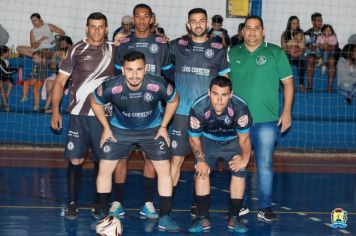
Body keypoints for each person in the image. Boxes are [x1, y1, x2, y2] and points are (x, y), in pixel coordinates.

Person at [90, 50, 180, 232]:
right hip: (120, 131)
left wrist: (163, 127)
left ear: (145, 69)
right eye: (129, 70)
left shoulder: (157, 84)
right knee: (105, 169)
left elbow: (174, 99)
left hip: (152, 130)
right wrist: (106, 128)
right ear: (122, 70)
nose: (134, 75)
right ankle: (103, 216)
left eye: (139, 70)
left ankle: (165, 217)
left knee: (164, 171)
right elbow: (94, 101)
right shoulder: (111, 86)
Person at [50, 12, 117, 220]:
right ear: (87, 28)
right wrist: (54, 110)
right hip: (78, 116)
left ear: (106, 29)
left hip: (103, 118)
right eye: (93, 26)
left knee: (103, 161)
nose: (97, 30)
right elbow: (60, 82)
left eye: (101, 27)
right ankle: (72, 203)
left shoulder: (115, 49)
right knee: (76, 160)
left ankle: (99, 203)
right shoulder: (76, 49)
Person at [229, 15, 294, 222]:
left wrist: (286, 112)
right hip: (238, 122)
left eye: (257, 28)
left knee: (264, 164)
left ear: (263, 31)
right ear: (242, 31)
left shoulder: (275, 52)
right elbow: (223, 85)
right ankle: (240, 205)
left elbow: (288, 84)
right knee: (238, 163)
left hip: (267, 120)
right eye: (248, 28)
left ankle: (265, 207)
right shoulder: (232, 53)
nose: (252, 31)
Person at [111, 3, 172, 220]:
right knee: (121, 157)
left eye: (146, 17)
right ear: (133, 19)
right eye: (138, 16)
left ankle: (147, 203)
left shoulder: (161, 43)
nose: (142, 20)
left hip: (152, 110)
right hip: (125, 111)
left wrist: (166, 101)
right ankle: (117, 202)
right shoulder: (123, 43)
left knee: (150, 158)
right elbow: (116, 77)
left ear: (152, 19)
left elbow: (168, 76)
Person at [169, 8, 230, 217]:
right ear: (188, 24)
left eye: (201, 21)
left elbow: (226, 82)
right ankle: (166, 207)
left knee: (201, 162)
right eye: (193, 21)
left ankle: (197, 204)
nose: (197, 24)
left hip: (207, 116)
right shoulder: (176, 45)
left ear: (207, 24)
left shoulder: (218, 49)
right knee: (175, 160)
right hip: (181, 113)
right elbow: (160, 65)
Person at [187, 76, 252, 233]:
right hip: (208, 140)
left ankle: (234, 218)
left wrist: (244, 159)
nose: (219, 100)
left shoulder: (240, 108)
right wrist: (200, 160)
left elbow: (244, 139)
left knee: (240, 171)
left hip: (232, 141)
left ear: (231, 94)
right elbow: (194, 139)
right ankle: (203, 218)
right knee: (202, 171)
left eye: (224, 95)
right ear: (209, 92)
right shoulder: (198, 108)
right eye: (215, 94)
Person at [41, 36, 73, 113]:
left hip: (68, 78)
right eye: (60, 43)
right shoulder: (58, 54)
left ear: (69, 45)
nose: (61, 45)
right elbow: (52, 67)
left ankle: (59, 107)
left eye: (63, 43)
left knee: (58, 89)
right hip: (58, 76)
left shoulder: (72, 55)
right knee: (49, 84)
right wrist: (55, 57)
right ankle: (49, 106)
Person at [281, 16, 306, 92]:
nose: (296, 25)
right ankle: (284, 85)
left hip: (299, 54)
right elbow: (284, 47)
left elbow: (303, 47)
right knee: (283, 61)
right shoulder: (285, 34)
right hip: (288, 54)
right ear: (289, 24)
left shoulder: (301, 34)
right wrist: (297, 43)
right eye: (294, 23)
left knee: (302, 61)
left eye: (297, 23)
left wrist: (293, 44)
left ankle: (301, 85)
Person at [316, 24, 339, 91]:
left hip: (330, 53)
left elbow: (333, 45)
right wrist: (321, 45)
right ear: (323, 31)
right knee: (318, 48)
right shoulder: (321, 37)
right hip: (322, 52)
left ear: (332, 32)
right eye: (326, 30)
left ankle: (324, 64)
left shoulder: (333, 37)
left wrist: (327, 45)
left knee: (326, 52)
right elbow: (317, 43)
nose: (328, 32)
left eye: (330, 30)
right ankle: (319, 58)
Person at [304, 12, 323, 92]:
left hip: (322, 55)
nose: (320, 22)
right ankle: (309, 85)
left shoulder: (325, 33)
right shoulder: (307, 33)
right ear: (313, 22)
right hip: (311, 54)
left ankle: (330, 87)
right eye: (318, 20)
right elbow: (309, 46)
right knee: (311, 58)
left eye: (321, 20)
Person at [0, 45, 17, 111]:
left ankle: (3, 102)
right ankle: (6, 104)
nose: (9, 54)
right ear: (3, 54)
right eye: (8, 52)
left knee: (10, 84)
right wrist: (16, 70)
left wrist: (16, 68)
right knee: (0, 84)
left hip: (4, 77)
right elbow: (6, 71)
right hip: (1, 77)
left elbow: (9, 69)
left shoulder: (6, 61)